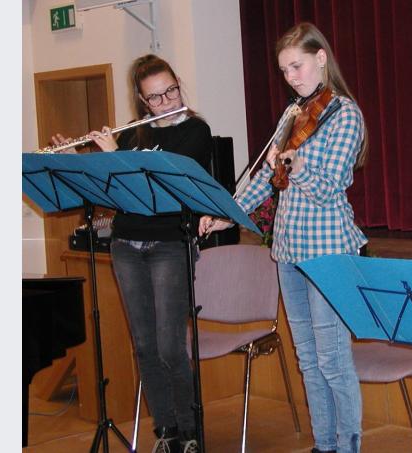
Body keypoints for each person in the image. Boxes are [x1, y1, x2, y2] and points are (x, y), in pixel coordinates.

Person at [201, 22, 367, 453]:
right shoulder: (293, 114)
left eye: (297, 66)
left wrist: (299, 166)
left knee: (333, 360)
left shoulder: (345, 114)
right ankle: (324, 444)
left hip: (328, 251)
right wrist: (227, 213)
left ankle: (348, 446)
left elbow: (329, 187)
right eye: (285, 70)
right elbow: (265, 178)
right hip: (289, 251)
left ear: (321, 58)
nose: (291, 78)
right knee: (308, 359)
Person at [53, 54, 215, 453]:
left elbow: (160, 187)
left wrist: (115, 156)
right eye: (155, 97)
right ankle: (166, 431)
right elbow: (110, 192)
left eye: (171, 91)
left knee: (169, 346)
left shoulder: (195, 131)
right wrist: (76, 163)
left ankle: (191, 433)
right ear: (142, 100)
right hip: (126, 245)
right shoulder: (132, 135)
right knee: (144, 346)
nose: (166, 101)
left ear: (178, 84)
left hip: (169, 245)